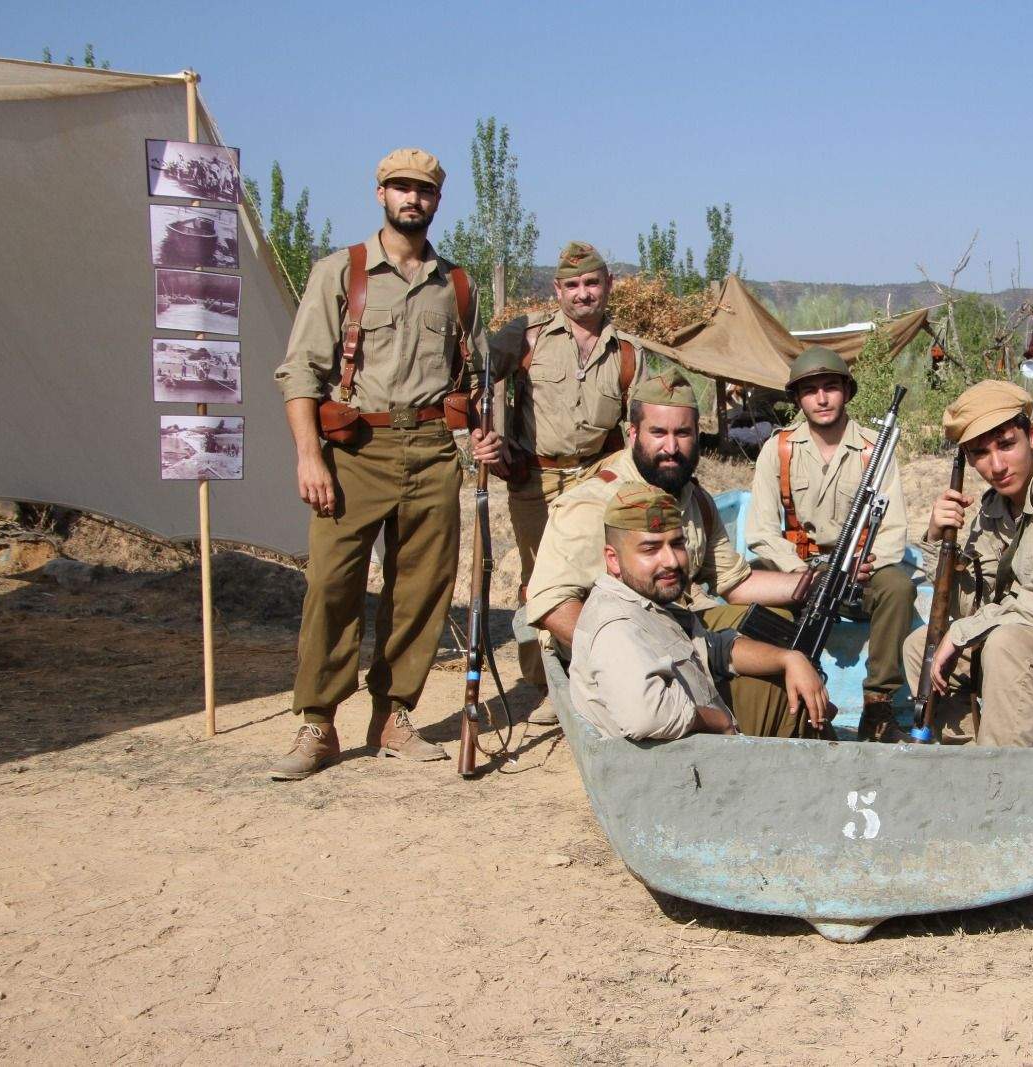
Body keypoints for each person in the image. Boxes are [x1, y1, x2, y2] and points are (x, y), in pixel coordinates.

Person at [269, 148, 498, 781]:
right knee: (332, 585)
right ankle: (317, 721)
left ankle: (395, 714)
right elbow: (300, 372)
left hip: (430, 452)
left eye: (422, 190)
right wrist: (308, 456)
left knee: (422, 590)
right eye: (400, 187)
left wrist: (478, 432)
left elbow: (473, 375)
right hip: (353, 450)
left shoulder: (457, 285)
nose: (411, 198)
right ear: (380, 194)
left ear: (436, 200)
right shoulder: (341, 272)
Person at [523, 368, 825, 737]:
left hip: (673, 624)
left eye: (682, 433)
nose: (671, 447)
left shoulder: (692, 497)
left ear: (697, 435)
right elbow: (551, 604)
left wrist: (815, 582)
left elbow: (735, 582)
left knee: (777, 623)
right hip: (608, 647)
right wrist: (630, 654)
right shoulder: (593, 505)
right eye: (658, 433)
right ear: (632, 434)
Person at [477, 242, 648, 720]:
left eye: (591, 283)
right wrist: (489, 433)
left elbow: (642, 422)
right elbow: (482, 374)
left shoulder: (628, 352)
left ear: (608, 285)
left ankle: (586, 676)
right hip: (536, 478)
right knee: (539, 581)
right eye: (572, 285)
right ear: (558, 290)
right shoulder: (528, 337)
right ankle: (545, 679)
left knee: (597, 580)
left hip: (598, 477)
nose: (582, 293)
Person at [902, 381, 1033, 746]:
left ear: (1032, 437)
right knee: (923, 644)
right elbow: (965, 605)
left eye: (1006, 445)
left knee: (1005, 645)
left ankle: (1000, 786)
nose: (996, 465)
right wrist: (939, 538)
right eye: (981, 453)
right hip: (1032, 639)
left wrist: (962, 634)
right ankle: (966, 762)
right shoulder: (992, 509)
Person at [571, 484, 832, 740]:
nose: (671, 561)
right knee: (801, 708)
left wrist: (789, 659)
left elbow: (713, 647)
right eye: (650, 549)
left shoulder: (648, 602)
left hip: (700, 750)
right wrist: (720, 721)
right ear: (613, 559)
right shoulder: (617, 626)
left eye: (676, 544)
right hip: (684, 769)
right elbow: (646, 717)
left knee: (793, 689)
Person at [746, 347, 914, 738]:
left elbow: (893, 529)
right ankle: (790, 709)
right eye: (810, 390)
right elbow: (760, 532)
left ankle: (878, 706)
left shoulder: (876, 448)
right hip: (800, 573)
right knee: (760, 607)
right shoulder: (779, 449)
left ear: (846, 392)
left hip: (858, 570)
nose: (821, 399)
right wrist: (802, 573)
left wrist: (862, 564)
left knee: (899, 587)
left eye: (830, 388)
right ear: (798, 399)